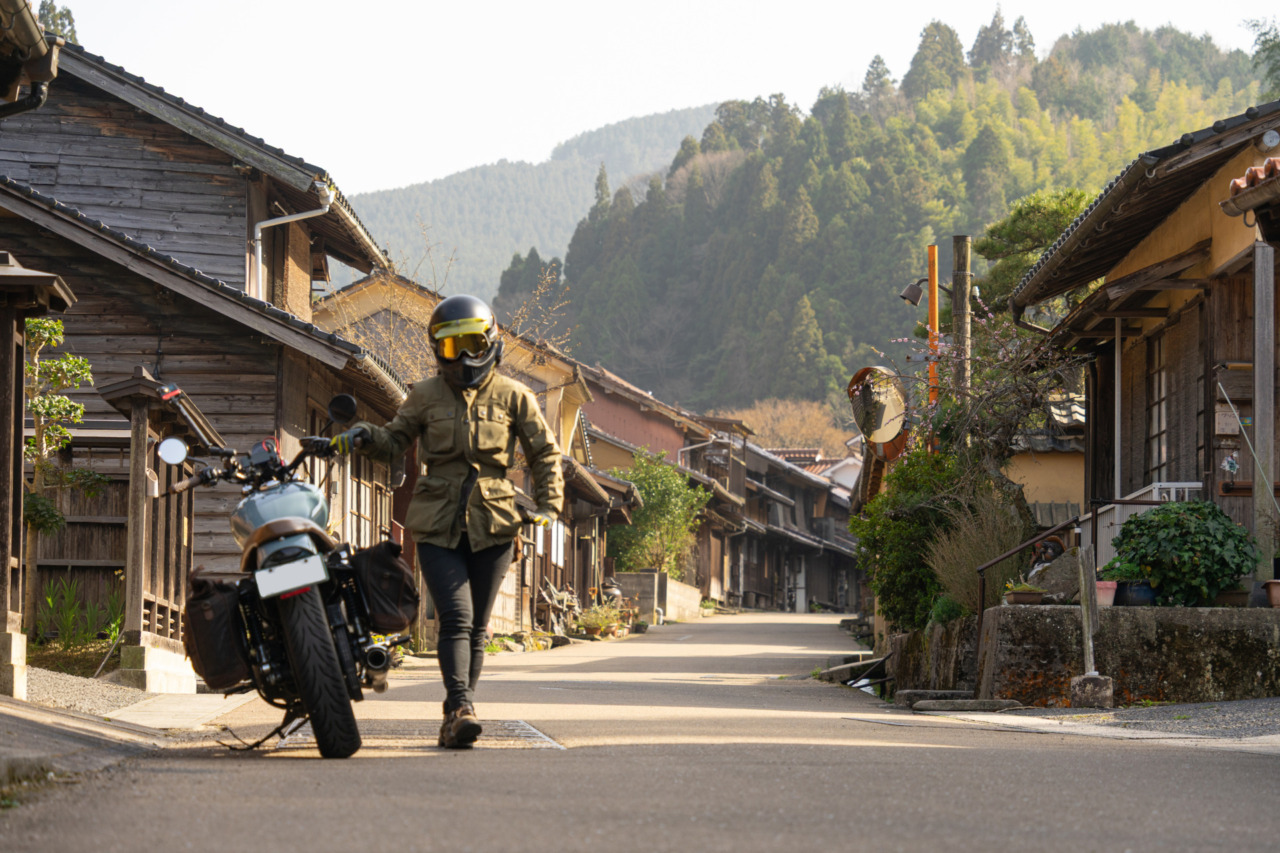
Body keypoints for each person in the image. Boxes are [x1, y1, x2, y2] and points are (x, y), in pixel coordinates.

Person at [330, 294, 564, 748]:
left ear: (490, 341)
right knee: (456, 618)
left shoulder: (516, 396)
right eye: (452, 346)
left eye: (472, 343)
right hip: (436, 521)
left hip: (495, 522)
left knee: (476, 625)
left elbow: (545, 453)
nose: (464, 356)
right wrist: (362, 437)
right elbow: (394, 440)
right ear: (438, 349)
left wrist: (549, 508)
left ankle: (455, 714)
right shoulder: (424, 394)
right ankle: (461, 706)